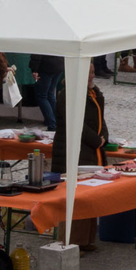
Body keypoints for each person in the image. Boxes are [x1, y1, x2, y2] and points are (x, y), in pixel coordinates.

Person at [52, 61, 108, 253]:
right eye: (89, 72)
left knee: (88, 197)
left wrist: (103, 138)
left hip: (91, 151)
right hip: (74, 151)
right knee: (75, 198)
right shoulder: (67, 95)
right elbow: (76, 124)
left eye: (93, 72)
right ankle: (70, 241)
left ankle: (85, 240)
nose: (92, 75)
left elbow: (101, 120)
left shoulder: (94, 93)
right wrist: (97, 140)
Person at [91, 0, 118, 78]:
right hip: (100, 10)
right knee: (100, 40)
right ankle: (98, 67)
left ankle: (103, 65)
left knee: (105, 40)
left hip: (107, 9)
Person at [29, 53, 64, 131]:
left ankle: (52, 124)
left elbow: (37, 53)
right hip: (59, 64)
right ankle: (58, 122)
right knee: (50, 94)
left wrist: (34, 69)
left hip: (45, 66)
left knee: (42, 96)